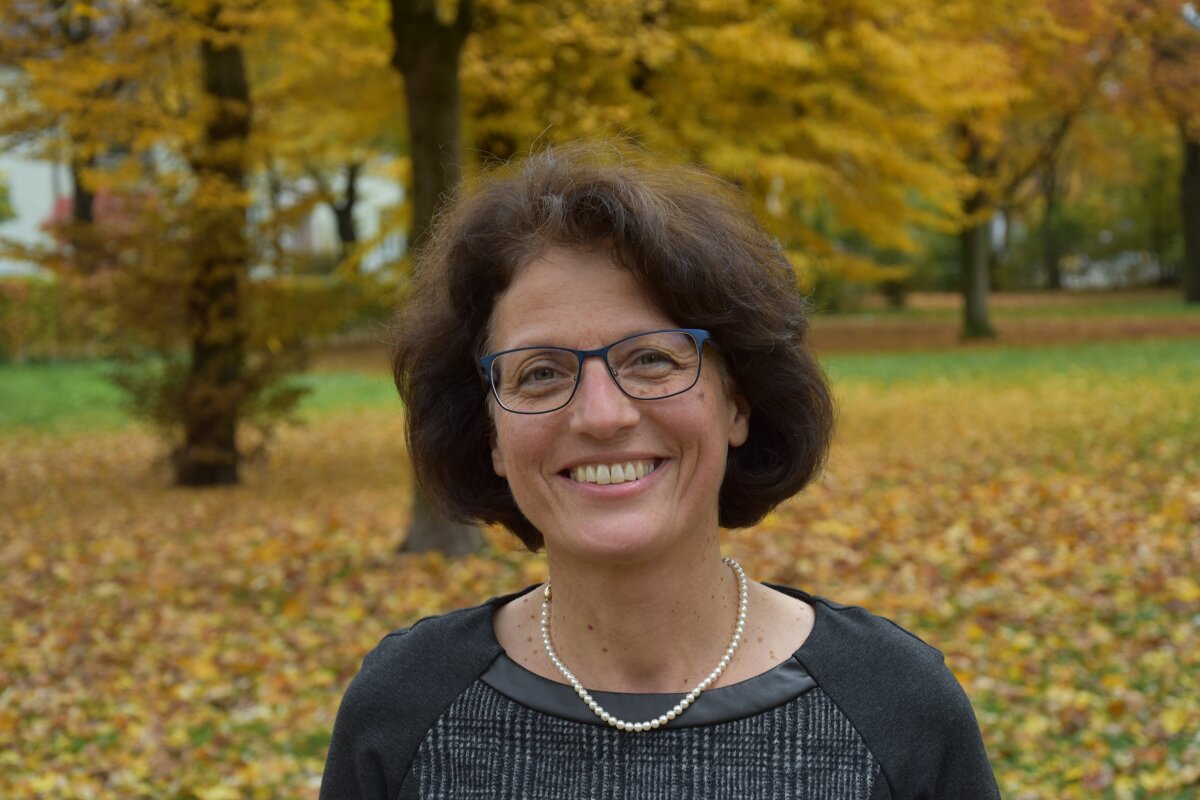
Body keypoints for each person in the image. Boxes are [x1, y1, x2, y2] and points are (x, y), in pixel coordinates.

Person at [319, 143, 1000, 799]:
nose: (602, 415)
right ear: (491, 433)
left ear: (738, 403)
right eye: (541, 372)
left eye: (652, 359)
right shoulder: (404, 713)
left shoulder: (895, 707)